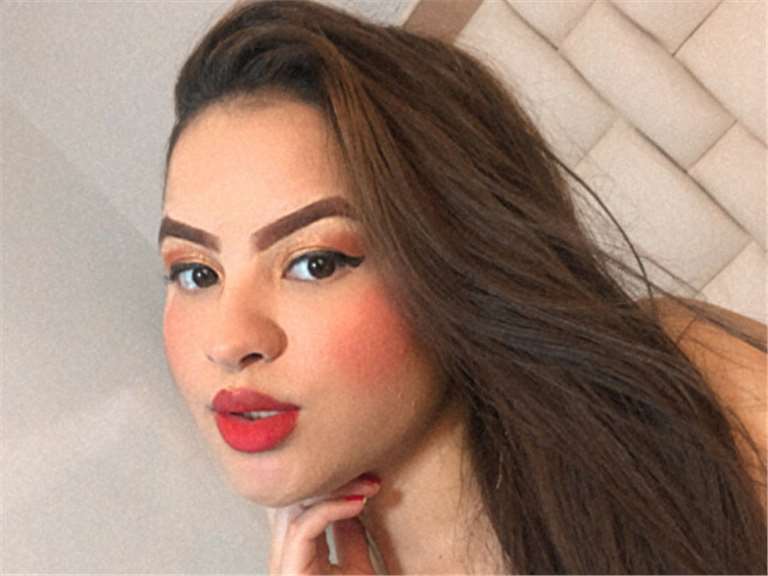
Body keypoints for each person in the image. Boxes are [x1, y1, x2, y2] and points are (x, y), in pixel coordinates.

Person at [156, 0, 767, 573]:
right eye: (195, 273)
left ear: (451, 252)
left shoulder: (686, 393)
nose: (229, 341)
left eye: (315, 264)